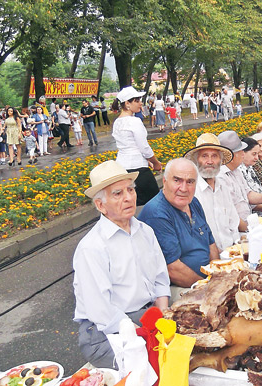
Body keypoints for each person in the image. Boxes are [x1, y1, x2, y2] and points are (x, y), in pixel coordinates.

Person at [73, 160, 170, 368]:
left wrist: (162, 317)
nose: (128, 197)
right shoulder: (91, 247)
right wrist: (145, 335)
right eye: (118, 193)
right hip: (105, 332)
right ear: (101, 205)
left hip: (145, 315)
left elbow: (161, 279)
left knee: (189, 347)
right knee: (157, 365)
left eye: (130, 190)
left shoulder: (145, 231)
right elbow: (101, 311)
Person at [138, 158, 219, 292]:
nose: (184, 188)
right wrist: (210, 288)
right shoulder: (157, 213)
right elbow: (173, 270)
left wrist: (218, 276)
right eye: (177, 180)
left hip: (207, 280)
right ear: (164, 182)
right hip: (178, 287)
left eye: (190, 182)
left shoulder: (193, 203)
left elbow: (211, 244)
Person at [185, 133, 240, 250]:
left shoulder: (223, 186)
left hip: (232, 252)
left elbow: (234, 224)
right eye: (204, 156)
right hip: (207, 257)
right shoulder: (191, 192)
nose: (210, 161)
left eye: (214, 156)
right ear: (196, 160)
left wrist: (236, 249)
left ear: (220, 160)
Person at [112, 86, 163, 205]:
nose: (140, 104)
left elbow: (128, 146)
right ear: (127, 103)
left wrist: (147, 161)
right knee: (156, 204)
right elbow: (144, 148)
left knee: (132, 204)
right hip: (138, 170)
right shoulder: (134, 121)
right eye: (137, 101)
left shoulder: (117, 122)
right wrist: (155, 162)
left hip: (123, 168)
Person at [217, 130, 262, 223]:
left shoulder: (236, 171)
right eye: (241, 151)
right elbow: (231, 214)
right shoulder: (221, 177)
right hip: (240, 229)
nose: (243, 154)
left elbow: (248, 194)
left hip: (250, 221)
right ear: (231, 156)